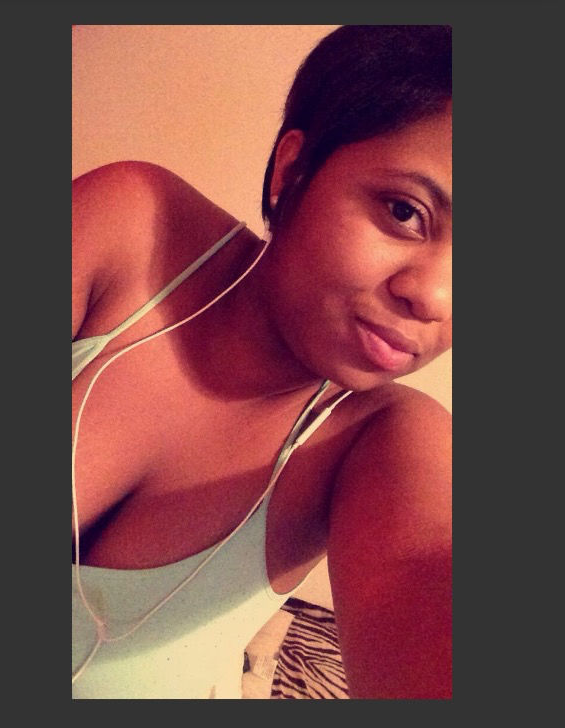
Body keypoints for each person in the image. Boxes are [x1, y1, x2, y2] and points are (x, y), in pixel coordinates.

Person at [72, 24, 452, 699]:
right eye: (404, 211)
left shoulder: (386, 438)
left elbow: (428, 562)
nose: (435, 297)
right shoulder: (132, 230)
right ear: (291, 170)